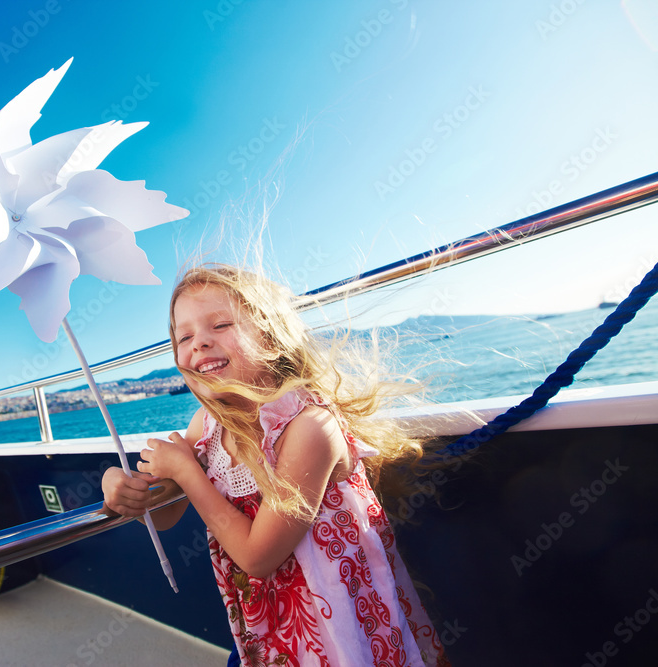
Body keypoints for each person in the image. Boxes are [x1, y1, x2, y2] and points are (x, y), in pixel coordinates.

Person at [103, 264, 450, 666]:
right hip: (270, 627)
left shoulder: (310, 428)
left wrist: (186, 471)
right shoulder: (207, 426)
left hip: (336, 625)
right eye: (184, 336)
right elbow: (165, 512)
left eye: (220, 325)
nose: (198, 343)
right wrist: (121, 488)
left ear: (269, 334)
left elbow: (258, 557)